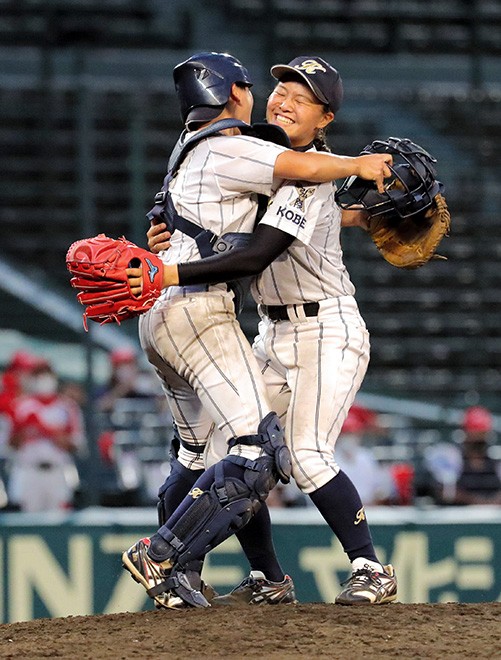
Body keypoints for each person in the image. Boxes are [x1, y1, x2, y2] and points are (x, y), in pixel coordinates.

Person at [120, 51, 393, 609]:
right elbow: (208, 199)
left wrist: (170, 263)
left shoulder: (309, 168)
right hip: (272, 330)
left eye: (303, 98)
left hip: (328, 326)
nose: (286, 100)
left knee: (303, 451)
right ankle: (268, 577)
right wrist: (167, 224)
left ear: (325, 120)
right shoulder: (268, 157)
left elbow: (261, 249)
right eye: (282, 91)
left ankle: (370, 569)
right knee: (237, 450)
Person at [7, 360, 85, 512]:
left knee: (60, 523)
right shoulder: (21, 406)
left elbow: (75, 445)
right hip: (29, 470)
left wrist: (44, 428)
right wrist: (24, 429)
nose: (43, 379)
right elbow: (11, 444)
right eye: (39, 375)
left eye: (46, 374)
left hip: (57, 470)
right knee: (27, 524)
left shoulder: (67, 407)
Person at [452, 406, 501, 505]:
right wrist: (479, 502)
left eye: (481, 434)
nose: (477, 438)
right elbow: (447, 493)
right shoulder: (454, 459)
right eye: (474, 433)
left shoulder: (494, 462)